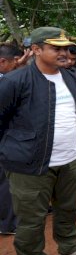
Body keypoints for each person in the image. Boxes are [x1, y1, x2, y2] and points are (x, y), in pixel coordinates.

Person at [0, 28, 76, 255]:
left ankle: (69, 248)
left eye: (66, 48)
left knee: (68, 209)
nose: (64, 53)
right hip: (29, 166)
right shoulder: (15, 81)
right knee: (31, 220)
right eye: (56, 48)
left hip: (69, 159)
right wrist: (11, 152)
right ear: (35, 50)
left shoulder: (70, 77)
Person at [0, 43, 27, 236]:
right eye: (15, 61)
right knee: (4, 181)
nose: (18, 65)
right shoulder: (5, 82)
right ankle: (8, 223)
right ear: (2, 62)